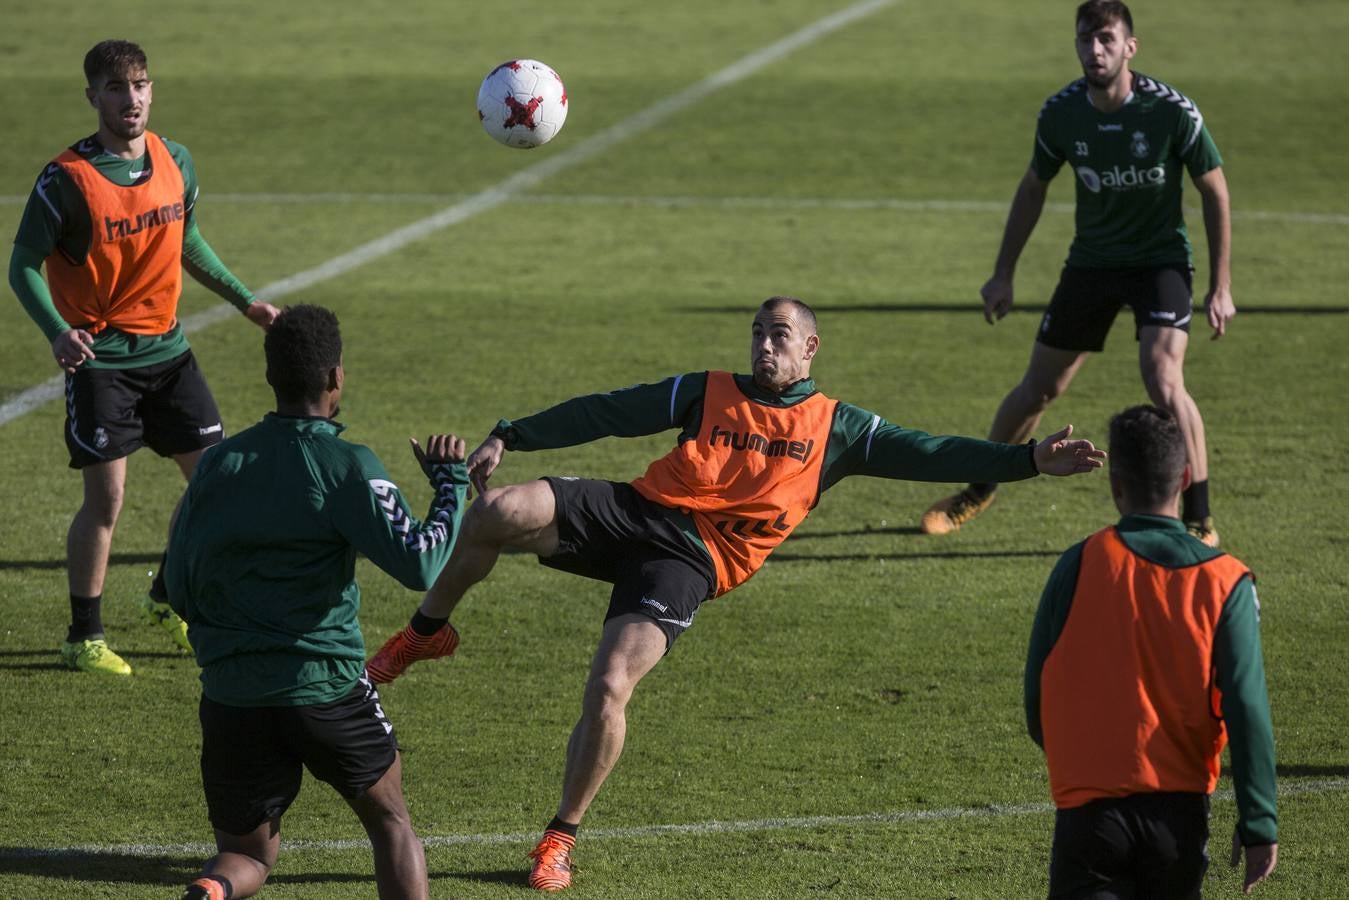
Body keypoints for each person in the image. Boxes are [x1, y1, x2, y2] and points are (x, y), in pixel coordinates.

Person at [365, 296, 1106, 892]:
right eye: (757, 332)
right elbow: (610, 409)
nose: (763, 345)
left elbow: (935, 450)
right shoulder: (707, 391)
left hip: (695, 559)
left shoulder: (838, 428)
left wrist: (1028, 461)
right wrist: (511, 435)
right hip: (638, 510)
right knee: (496, 512)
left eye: (779, 335)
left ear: (809, 348)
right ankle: (428, 630)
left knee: (609, 683)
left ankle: (560, 836)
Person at [164, 304, 470, 900]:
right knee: (392, 825)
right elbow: (420, 562)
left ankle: (209, 892)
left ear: (271, 377)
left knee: (245, 855)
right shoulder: (345, 464)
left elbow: (178, 585)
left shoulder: (219, 463)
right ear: (336, 378)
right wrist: (450, 485)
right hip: (325, 688)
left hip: (232, 692)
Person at [7, 39, 281, 676]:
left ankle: (166, 596)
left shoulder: (173, 159)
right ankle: (84, 635)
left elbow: (190, 241)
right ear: (93, 97)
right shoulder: (65, 180)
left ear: (150, 89)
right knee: (107, 501)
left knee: (214, 481)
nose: (130, 99)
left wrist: (247, 303)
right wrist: (55, 330)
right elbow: (21, 265)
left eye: (140, 85)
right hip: (100, 362)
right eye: (115, 88)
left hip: (169, 351)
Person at [921, 0, 1232, 548]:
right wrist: (1003, 275)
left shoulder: (1170, 111)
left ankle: (1199, 519)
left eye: (1107, 39)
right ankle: (978, 489)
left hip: (1160, 262)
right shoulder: (1061, 113)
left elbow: (1214, 189)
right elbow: (1033, 188)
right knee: (1039, 389)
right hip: (1092, 263)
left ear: (1130, 47)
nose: (1096, 50)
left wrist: (1220, 286)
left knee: (1163, 379)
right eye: (1086, 39)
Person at [1024, 405, 1276, 898]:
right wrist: (1259, 821)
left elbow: (1037, 695)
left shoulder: (1077, 563)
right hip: (1177, 817)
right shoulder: (1227, 581)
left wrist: (1080, 763)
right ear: (1184, 479)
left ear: (1115, 484)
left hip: (1087, 813)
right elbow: (1247, 706)